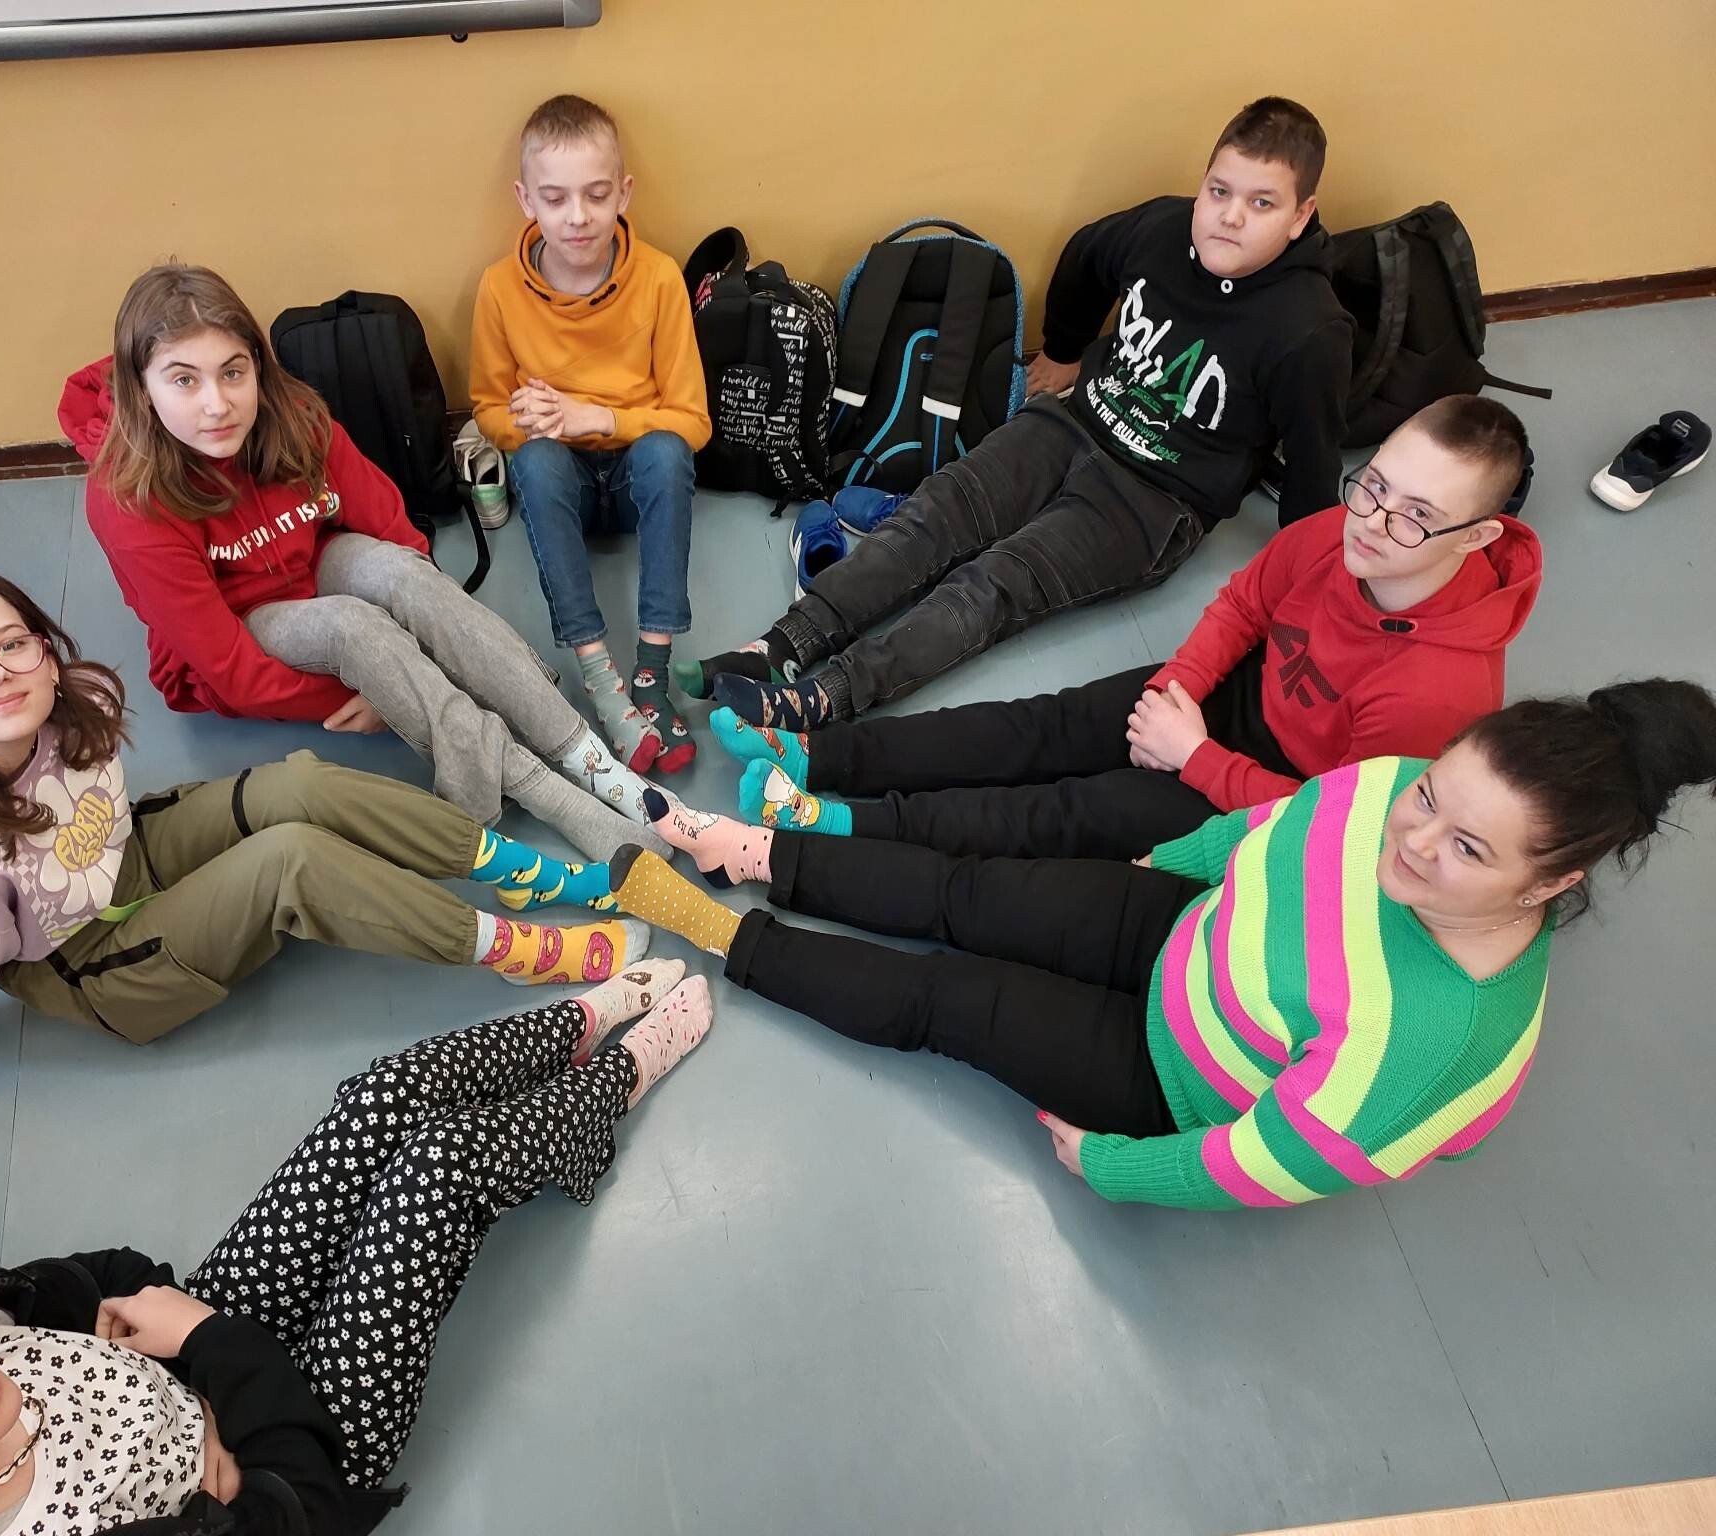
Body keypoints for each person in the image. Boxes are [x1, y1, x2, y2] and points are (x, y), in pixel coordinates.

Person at [0, 968, 715, 1535]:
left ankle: (568, 1028)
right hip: (306, 1450)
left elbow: (96, 1273)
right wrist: (209, 1346)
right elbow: (300, 1504)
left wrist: (166, 1318)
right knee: (438, 1176)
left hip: (193, 1345)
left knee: (378, 1100)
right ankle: (600, 1098)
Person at [612, 678, 1716, 1209]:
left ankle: (725, 933)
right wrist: (1173, 863)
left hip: (1171, 1079)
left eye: (1468, 849)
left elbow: (1262, 1163)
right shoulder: (1392, 785)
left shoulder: (1424, 1036)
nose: (1412, 840)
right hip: (1189, 926)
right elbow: (1277, 825)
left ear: (1552, 882)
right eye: (1430, 797)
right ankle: (759, 856)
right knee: (969, 889)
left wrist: (1111, 1165)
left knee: (946, 1000)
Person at [680, 96, 1352, 731]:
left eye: (1261, 203)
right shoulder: (1165, 230)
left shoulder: (1308, 329)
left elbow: (1312, 475)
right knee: (937, 511)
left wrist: (1299, 598)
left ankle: (824, 695)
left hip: (1156, 497)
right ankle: (781, 646)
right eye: (1219, 191)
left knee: (995, 582)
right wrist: (1063, 350)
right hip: (1076, 424)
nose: (1230, 217)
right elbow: (1089, 254)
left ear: (1301, 216)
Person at [0, 568, 652, 1078]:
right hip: (91, 960)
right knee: (292, 858)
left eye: (11, 645)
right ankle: (515, 951)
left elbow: (98, 816)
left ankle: (522, 873)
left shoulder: (76, 701)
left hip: (122, 859)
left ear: (42, 646)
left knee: (303, 786)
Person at [711, 395, 1541, 862]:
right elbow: (1245, 606)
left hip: (1282, 791)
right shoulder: (1342, 529)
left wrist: (1197, 758)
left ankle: (839, 822)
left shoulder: (1436, 693)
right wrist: (1176, 691)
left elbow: (1337, 827)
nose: (1374, 521)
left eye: (1416, 516)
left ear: (1476, 537)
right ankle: (816, 755)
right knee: (1041, 726)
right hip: (1234, 703)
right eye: (1376, 486)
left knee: (1071, 812)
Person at [60, 263, 668, 865]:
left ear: (257, 366)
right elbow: (230, 671)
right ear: (142, 388)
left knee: (400, 574)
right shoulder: (127, 500)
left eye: (233, 372)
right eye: (184, 381)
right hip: (242, 625)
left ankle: (589, 759)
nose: (217, 404)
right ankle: (551, 796)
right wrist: (380, 688)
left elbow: (398, 536)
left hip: (312, 565)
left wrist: (423, 657)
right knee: (355, 627)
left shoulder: (293, 413)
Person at [470, 93, 711, 776]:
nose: (577, 217)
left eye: (597, 195)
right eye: (555, 199)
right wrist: (528, 420)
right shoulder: (499, 289)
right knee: (538, 462)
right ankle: (601, 678)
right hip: (564, 488)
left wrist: (599, 417)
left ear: (623, 194)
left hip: (636, 477)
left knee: (665, 452)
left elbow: (693, 422)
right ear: (526, 201)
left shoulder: (658, 278)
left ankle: (651, 674)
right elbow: (486, 407)